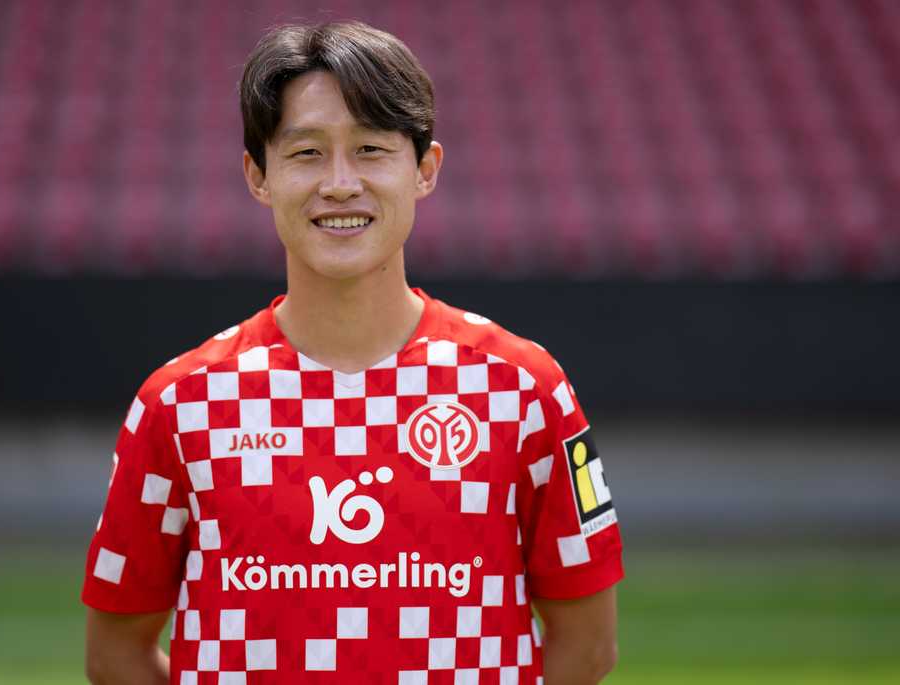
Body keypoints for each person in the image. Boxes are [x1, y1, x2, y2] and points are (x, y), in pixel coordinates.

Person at [83, 20, 622, 685]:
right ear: (258, 175)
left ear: (424, 170)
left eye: (370, 148)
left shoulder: (527, 389)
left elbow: (588, 647)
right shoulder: (177, 405)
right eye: (306, 152)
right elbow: (114, 655)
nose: (340, 183)